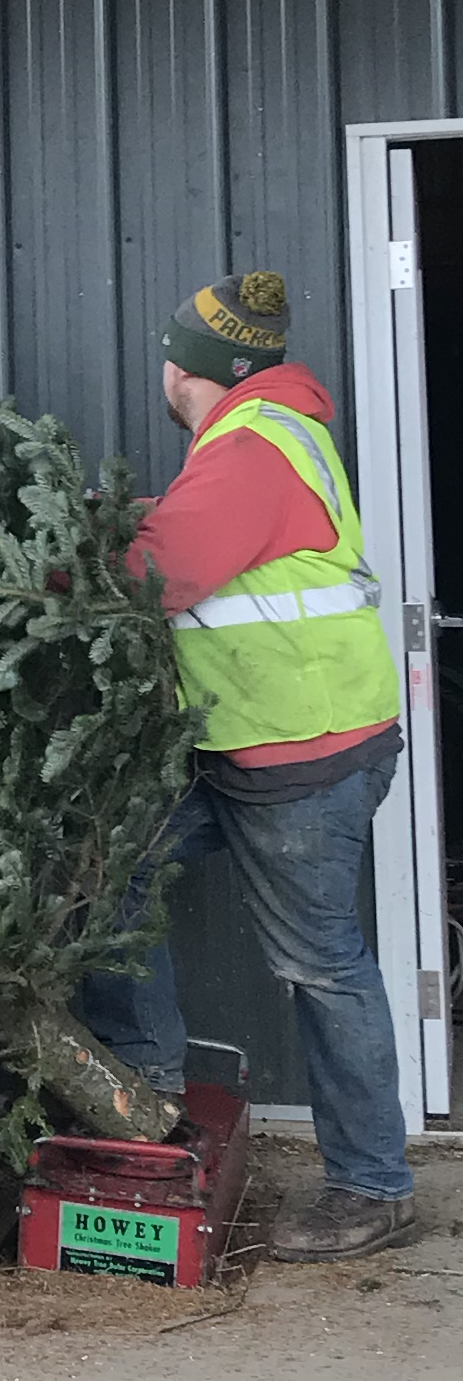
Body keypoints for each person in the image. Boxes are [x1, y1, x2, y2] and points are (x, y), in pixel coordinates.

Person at [82, 270, 412, 1262]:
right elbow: (205, 526)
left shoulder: (251, 448)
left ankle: (371, 1185)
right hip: (241, 744)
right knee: (107, 871)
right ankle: (146, 1076)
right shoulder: (252, 435)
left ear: (189, 368)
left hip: (297, 756)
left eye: (170, 351)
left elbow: (153, 570)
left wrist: (36, 558)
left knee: (319, 963)